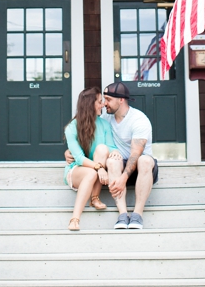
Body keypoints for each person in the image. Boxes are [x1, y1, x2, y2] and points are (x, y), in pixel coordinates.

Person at [100, 82, 157, 230]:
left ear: (121, 100)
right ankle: (123, 214)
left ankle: (137, 215)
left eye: (108, 99)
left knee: (144, 160)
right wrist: (70, 152)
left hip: (142, 169)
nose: (104, 103)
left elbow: (135, 154)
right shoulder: (106, 119)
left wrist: (123, 179)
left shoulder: (138, 119)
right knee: (112, 161)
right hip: (118, 168)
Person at [64, 88, 116, 231]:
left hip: (95, 167)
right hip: (77, 170)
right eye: (100, 102)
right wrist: (99, 168)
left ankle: (94, 198)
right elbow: (79, 158)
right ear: (89, 104)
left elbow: (111, 146)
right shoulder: (72, 128)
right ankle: (75, 218)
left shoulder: (104, 124)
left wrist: (115, 153)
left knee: (102, 149)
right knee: (91, 173)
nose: (103, 105)